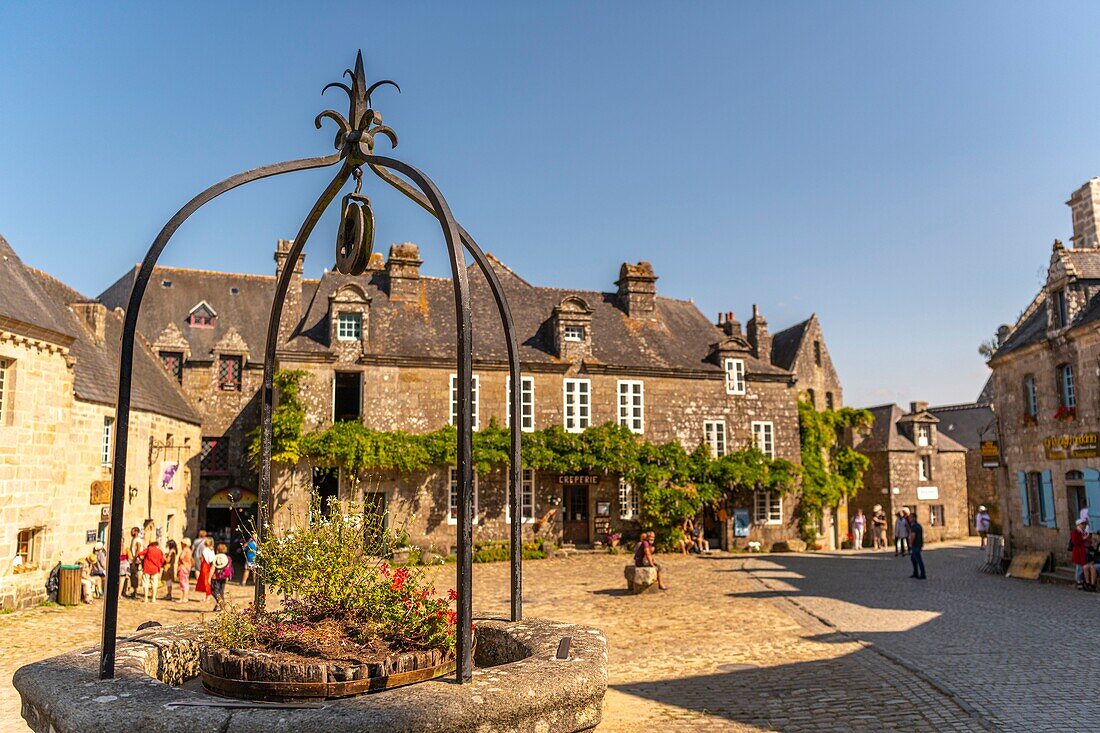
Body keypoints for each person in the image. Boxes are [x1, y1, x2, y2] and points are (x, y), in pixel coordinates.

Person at [137, 538, 165, 603]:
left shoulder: (148, 549)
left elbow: (140, 554)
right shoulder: (159, 551)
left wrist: (141, 559)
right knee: (154, 583)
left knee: (145, 583)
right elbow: (162, 560)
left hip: (147, 568)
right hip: (155, 569)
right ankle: (153, 598)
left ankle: (146, 598)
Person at [1071, 518, 1095, 591]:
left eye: (1085, 524)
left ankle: (1082, 580)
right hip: (1078, 551)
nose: (1084, 525)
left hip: (1083, 551)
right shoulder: (1075, 532)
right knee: (1079, 567)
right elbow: (1075, 542)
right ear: (1079, 525)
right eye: (1083, 524)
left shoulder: (1083, 532)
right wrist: (1084, 538)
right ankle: (1079, 581)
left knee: (1083, 566)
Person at [211, 544, 233, 609]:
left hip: (216, 577)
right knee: (221, 591)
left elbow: (213, 568)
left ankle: (220, 603)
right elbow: (230, 568)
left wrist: (209, 577)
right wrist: (229, 576)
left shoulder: (216, 557)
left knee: (214, 591)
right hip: (224, 577)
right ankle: (220, 605)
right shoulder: (228, 558)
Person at [194, 538, 214, 602]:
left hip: (205, 566)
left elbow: (202, 558)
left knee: (206, 581)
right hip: (208, 566)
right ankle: (208, 595)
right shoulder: (212, 550)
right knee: (207, 580)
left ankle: (208, 595)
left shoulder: (205, 550)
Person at [126, 526, 144, 598]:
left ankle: (135, 590)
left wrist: (134, 559)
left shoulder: (138, 540)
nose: (131, 532)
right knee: (132, 575)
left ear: (136, 532)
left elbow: (138, 550)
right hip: (133, 559)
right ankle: (134, 590)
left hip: (136, 560)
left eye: (133, 531)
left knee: (135, 575)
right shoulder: (134, 539)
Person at [908, 513, 926, 579]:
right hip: (918, 544)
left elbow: (913, 535)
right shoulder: (917, 525)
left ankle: (922, 574)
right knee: (913, 559)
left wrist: (910, 543)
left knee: (918, 560)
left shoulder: (915, 526)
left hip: (916, 545)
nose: (909, 519)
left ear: (914, 518)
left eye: (911, 517)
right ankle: (915, 572)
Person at [177, 537, 193, 602]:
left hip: (183, 567)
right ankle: (185, 597)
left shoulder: (185, 550)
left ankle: (183, 597)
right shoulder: (189, 550)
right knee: (186, 582)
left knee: (182, 582)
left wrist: (181, 561)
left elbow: (181, 557)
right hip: (188, 567)